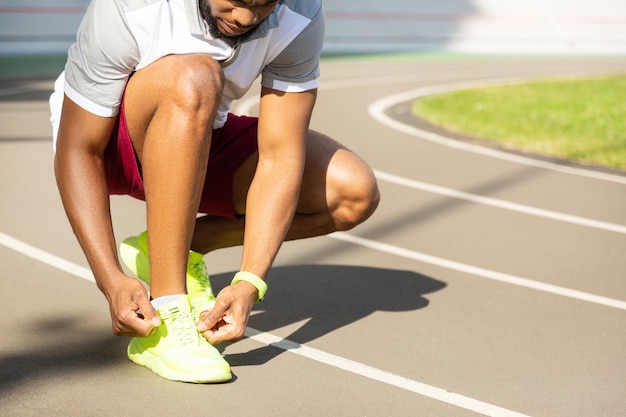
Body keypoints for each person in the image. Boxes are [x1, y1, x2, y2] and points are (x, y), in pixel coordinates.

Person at [50, 0, 380, 383]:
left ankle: (173, 248)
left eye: (263, 5)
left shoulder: (300, 12)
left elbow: (280, 156)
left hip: (199, 136)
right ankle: (167, 316)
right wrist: (110, 278)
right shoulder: (130, 6)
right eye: (238, 1)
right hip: (110, 147)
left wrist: (250, 280)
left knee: (351, 190)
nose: (246, 18)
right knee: (195, 75)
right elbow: (77, 149)